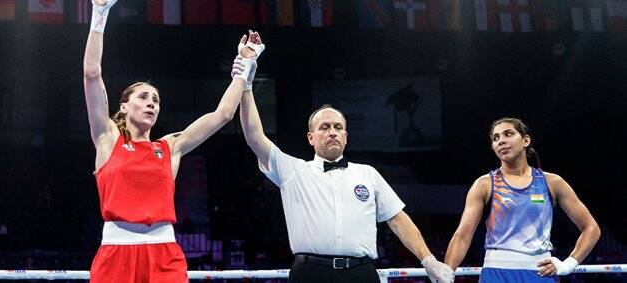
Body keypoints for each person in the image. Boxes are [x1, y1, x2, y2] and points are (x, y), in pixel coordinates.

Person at [234, 31, 453, 283]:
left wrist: (428, 260)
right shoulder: (293, 170)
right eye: (325, 127)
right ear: (311, 137)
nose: (332, 132)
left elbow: (397, 218)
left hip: (361, 273)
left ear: (346, 137)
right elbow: (254, 136)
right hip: (310, 273)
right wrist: (246, 84)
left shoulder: (367, 174)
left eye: (338, 127)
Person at [83, 1, 260, 281]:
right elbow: (92, 73)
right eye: (143, 97)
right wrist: (99, 12)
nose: (151, 103)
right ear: (124, 106)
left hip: (164, 253)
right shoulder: (106, 138)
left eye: (156, 100)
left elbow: (223, 114)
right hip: (116, 253)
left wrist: (245, 67)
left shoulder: (170, 147)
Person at [444, 117, 601, 282]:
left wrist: (569, 264)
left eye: (508, 134)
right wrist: (445, 275)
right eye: (496, 138)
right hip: (497, 273)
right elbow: (462, 236)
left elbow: (591, 228)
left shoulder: (552, 182)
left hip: (541, 273)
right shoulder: (484, 184)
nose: (501, 141)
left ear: (526, 140)